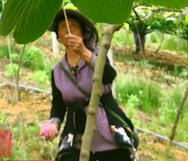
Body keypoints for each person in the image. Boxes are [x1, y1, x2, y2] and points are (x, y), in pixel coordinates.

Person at [41, 9, 137, 161]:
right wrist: (54, 123)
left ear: (83, 33)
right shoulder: (57, 72)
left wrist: (84, 52)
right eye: (62, 27)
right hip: (76, 134)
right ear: (58, 37)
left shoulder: (97, 55)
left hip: (108, 130)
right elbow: (58, 105)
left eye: (74, 26)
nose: (68, 28)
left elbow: (109, 75)